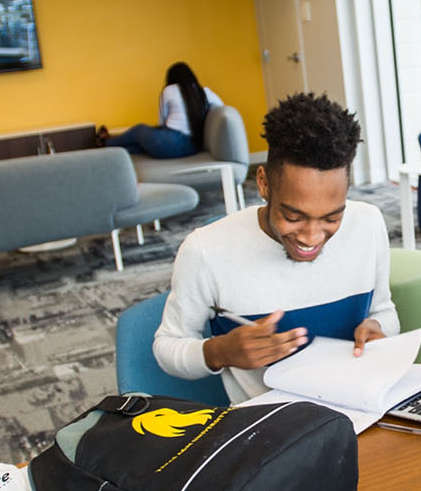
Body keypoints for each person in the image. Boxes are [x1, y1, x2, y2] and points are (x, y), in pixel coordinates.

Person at [155, 92, 397, 402]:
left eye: (331, 218)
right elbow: (167, 346)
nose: (311, 236)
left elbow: (384, 310)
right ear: (264, 183)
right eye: (293, 216)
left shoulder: (368, 224)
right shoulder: (206, 250)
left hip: (360, 408)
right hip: (272, 430)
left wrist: (378, 329)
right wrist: (219, 351)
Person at [108, 62, 226, 159]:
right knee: (139, 147)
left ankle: (105, 143)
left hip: (170, 142)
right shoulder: (204, 92)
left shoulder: (169, 90)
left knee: (138, 130)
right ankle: (110, 151)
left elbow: (162, 122)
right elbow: (222, 108)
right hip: (192, 147)